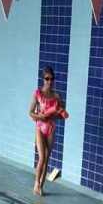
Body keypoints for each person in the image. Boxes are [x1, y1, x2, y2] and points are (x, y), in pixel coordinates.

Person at [29, 66, 67, 196]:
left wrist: (58, 114)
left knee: (47, 159)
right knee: (42, 157)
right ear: (43, 79)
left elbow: (62, 115)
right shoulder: (38, 93)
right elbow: (30, 113)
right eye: (47, 78)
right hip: (40, 127)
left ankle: (41, 186)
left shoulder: (57, 96)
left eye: (52, 79)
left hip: (50, 128)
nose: (49, 81)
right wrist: (40, 116)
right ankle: (36, 183)